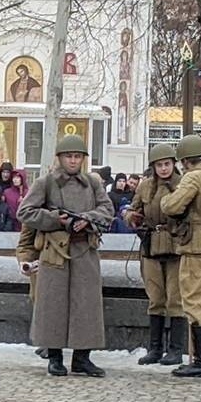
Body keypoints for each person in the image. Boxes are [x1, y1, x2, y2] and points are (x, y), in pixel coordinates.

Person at [19, 135, 113, 377]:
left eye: (78, 156)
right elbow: (25, 212)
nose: (73, 161)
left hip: (84, 250)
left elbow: (107, 210)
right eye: (69, 156)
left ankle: (82, 358)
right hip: (55, 251)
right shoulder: (46, 182)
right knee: (53, 305)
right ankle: (55, 357)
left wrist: (87, 219)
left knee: (87, 305)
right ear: (59, 158)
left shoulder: (92, 183)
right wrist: (54, 220)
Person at [159, 135, 201, 378]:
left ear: (185, 160)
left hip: (197, 246)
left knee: (194, 302)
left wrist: (167, 198)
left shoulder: (194, 177)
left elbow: (172, 206)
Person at [126, 143, 187, 366]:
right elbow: (132, 210)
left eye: (167, 164)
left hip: (176, 247)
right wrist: (132, 218)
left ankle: (176, 349)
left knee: (175, 298)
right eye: (159, 165)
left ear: (174, 164)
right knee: (155, 298)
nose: (163, 169)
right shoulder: (145, 187)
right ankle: (155, 348)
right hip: (150, 245)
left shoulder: (183, 184)